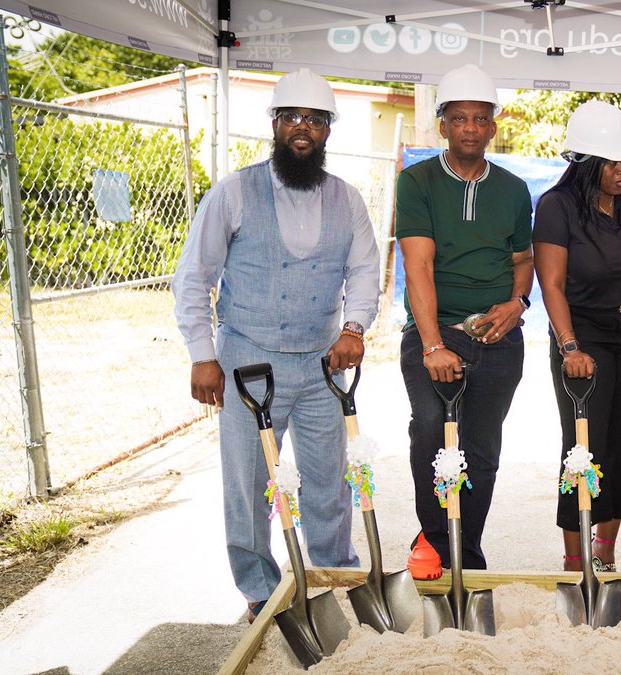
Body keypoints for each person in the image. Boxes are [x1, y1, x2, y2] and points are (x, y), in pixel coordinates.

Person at [171, 68, 380, 621]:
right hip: (246, 360)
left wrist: (354, 328)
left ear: (329, 130)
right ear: (275, 125)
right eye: (291, 118)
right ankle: (260, 590)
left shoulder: (348, 200)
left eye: (313, 119)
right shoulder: (234, 192)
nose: (302, 128)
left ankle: (332, 574)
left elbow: (364, 271)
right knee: (249, 481)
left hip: (322, 364)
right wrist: (202, 354)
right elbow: (194, 276)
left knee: (328, 482)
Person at [395, 64, 533, 579]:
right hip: (435, 332)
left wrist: (518, 303)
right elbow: (418, 266)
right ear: (443, 125)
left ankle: (465, 556)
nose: (471, 128)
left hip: (499, 335)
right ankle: (434, 540)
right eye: (459, 119)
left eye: (480, 119)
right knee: (431, 430)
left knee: (480, 448)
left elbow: (523, 261)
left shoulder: (515, 189)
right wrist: (432, 345)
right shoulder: (418, 182)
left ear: (492, 126)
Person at [533, 101, 621, 573]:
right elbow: (550, 283)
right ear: (588, 163)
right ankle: (575, 560)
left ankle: (605, 552)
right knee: (584, 446)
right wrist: (569, 345)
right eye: (613, 162)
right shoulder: (556, 207)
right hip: (585, 335)